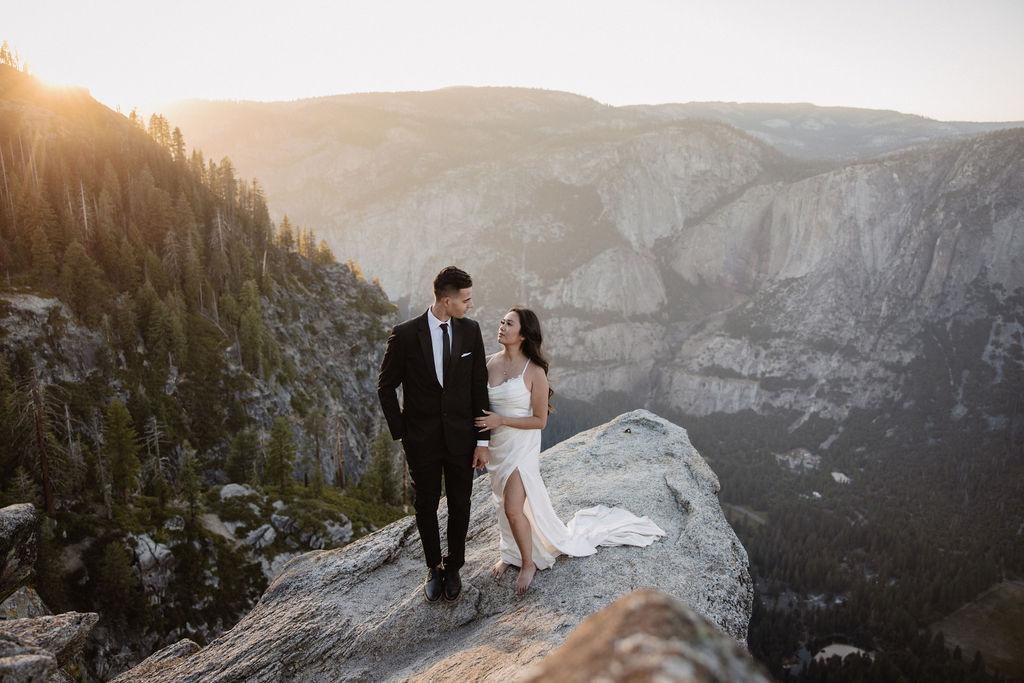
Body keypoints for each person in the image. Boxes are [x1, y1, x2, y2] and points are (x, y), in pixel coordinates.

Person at [475, 307, 665, 595]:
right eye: (501, 321)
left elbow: (539, 420)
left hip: (521, 448)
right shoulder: (488, 363)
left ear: (524, 334)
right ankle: (510, 554)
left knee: (514, 508)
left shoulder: (534, 372)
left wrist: (501, 419)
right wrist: (482, 443)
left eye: (509, 324)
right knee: (503, 505)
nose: (501, 327)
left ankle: (528, 563)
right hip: (498, 447)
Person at [377, 266, 491, 602]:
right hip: (421, 440)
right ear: (446, 300)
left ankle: (454, 566)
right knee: (425, 505)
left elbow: (478, 386)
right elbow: (386, 386)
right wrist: (403, 432)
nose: (471, 305)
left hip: (461, 438)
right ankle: (432, 566)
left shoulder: (471, 331)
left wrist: (483, 440)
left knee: (460, 503)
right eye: (466, 300)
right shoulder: (406, 334)